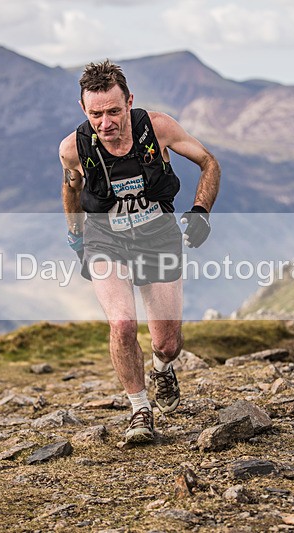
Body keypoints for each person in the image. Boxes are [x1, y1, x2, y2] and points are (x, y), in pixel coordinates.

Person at [59, 60, 221, 444]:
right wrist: (75, 236)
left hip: (157, 236)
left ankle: (163, 368)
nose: (106, 122)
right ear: (84, 109)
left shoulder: (158, 127)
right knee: (122, 323)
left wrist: (201, 212)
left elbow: (208, 162)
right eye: (96, 114)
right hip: (106, 239)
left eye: (114, 111)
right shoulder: (72, 149)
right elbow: (70, 189)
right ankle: (139, 411)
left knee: (167, 341)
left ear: (129, 101)